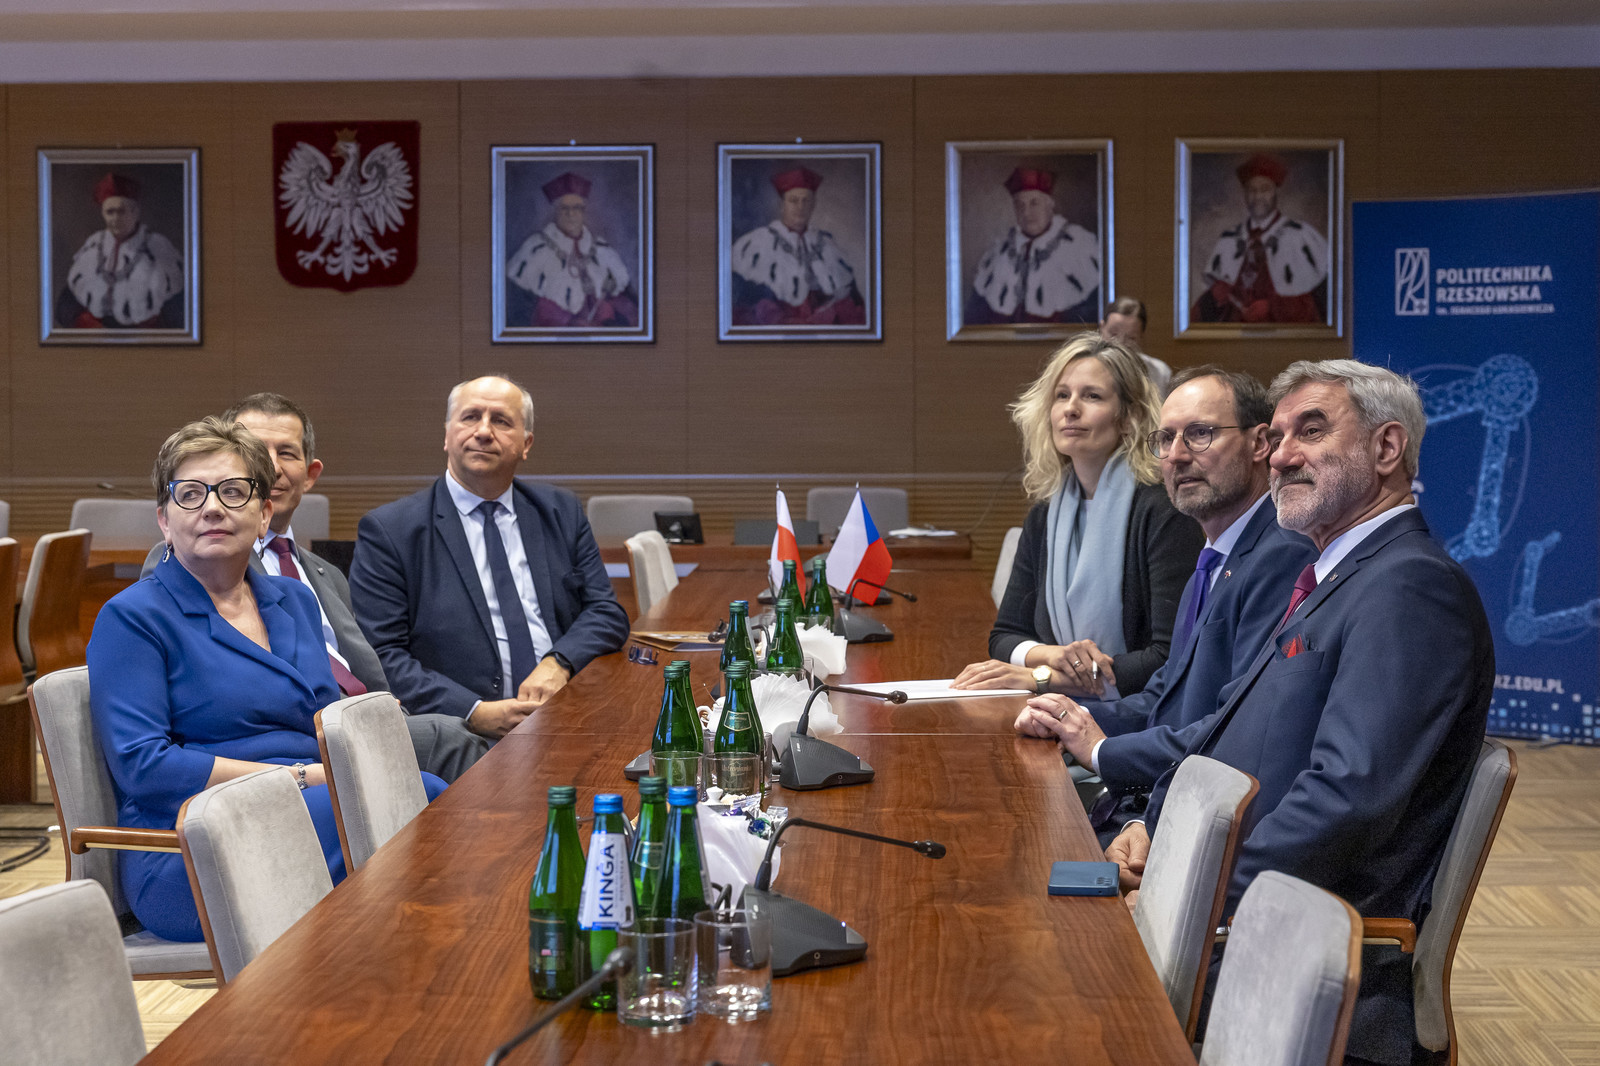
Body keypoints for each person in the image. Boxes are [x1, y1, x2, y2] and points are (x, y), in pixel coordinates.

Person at [1104, 359, 1493, 1066]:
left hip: (1299, 948)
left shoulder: (1409, 588)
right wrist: (1155, 831)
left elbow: (1345, 799)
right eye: (1278, 436)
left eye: (1311, 432)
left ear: (1386, 447)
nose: (1280, 456)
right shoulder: (1332, 577)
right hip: (1245, 912)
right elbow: (1235, 736)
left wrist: (1190, 897)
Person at [87, 417, 447, 943]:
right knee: (403, 816)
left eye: (233, 492)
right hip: (191, 843)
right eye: (190, 494)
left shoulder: (294, 600)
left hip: (308, 805)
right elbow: (144, 766)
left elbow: (324, 718)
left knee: (427, 799)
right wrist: (299, 778)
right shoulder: (132, 617)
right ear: (164, 520)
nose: (212, 507)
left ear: (263, 515)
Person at [1012, 367, 1317, 842]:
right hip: (1163, 800)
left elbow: (1236, 730)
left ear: (1260, 443)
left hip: (1209, 827)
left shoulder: (1282, 556)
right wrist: (1067, 717)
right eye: (1166, 438)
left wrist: (1102, 756)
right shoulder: (1217, 557)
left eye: (1200, 434)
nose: (1177, 455)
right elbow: (1166, 698)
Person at [138, 395, 489, 782]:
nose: (272, 466)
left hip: (361, 722)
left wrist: (384, 712)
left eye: (286, 453)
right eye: (256, 450)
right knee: (451, 739)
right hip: (287, 745)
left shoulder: (323, 573)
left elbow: (368, 669)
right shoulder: (196, 562)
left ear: (310, 473)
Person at [349, 375, 630, 739]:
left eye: (501, 420)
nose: (483, 432)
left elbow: (605, 612)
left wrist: (559, 662)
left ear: (526, 444)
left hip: (567, 714)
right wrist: (472, 711)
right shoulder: (391, 531)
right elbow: (381, 656)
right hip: (463, 735)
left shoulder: (560, 512)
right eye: (470, 417)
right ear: (447, 435)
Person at [954, 333, 1203, 699]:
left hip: (1139, 715)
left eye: (1092, 396)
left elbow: (1168, 658)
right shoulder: (1045, 514)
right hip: (1053, 710)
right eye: (1061, 395)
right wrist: (1055, 656)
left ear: (1129, 418)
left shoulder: (1164, 511)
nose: (1070, 409)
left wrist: (1042, 678)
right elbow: (1004, 636)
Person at [1190, 153, 1330, 325]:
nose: (1257, 197)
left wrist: (1272, 307)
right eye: (1252, 190)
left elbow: (1320, 303)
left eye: (1264, 189)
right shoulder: (1230, 240)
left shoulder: (1300, 236)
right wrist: (1215, 298)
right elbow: (1203, 315)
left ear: (1275, 192)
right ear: (1244, 194)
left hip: (1285, 339)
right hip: (1234, 338)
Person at [730, 166, 865, 326]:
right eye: (793, 201)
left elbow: (854, 303)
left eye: (806, 201)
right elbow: (745, 305)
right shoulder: (757, 243)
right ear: (782, 205)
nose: (800, 207)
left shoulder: (827, 244)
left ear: (813, 205)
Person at [966, 167, 1099, 326]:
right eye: (1019, 205)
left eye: (1034, 203)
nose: (1026, 213)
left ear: (1050, 205)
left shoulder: (1080, 245)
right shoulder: (998, 252)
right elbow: (975, 317)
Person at [505, 171, 639, 329]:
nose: (570, 214)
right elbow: (518, 312)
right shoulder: (535, 248)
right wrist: (566, 322)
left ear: (583, 212)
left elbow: (627, 305)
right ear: (556, 211)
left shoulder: (602, 249)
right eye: (564, 208)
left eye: (576, 208)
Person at [56, 172, 184, 329]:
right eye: (110, 212)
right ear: (103, 214)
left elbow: (179, 311)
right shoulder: (93, 246)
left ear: (135, 212)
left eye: (121, 211)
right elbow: (65, 307)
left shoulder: (158, 247)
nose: (115, 218)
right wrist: (86, 324)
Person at [1100, 296, 1173, 394]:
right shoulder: (1084, 367)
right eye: (1113, 334)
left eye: (1131, 338)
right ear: (1102, 327)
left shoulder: (1160, 372)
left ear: (1141, 336)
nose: (1120, 343)